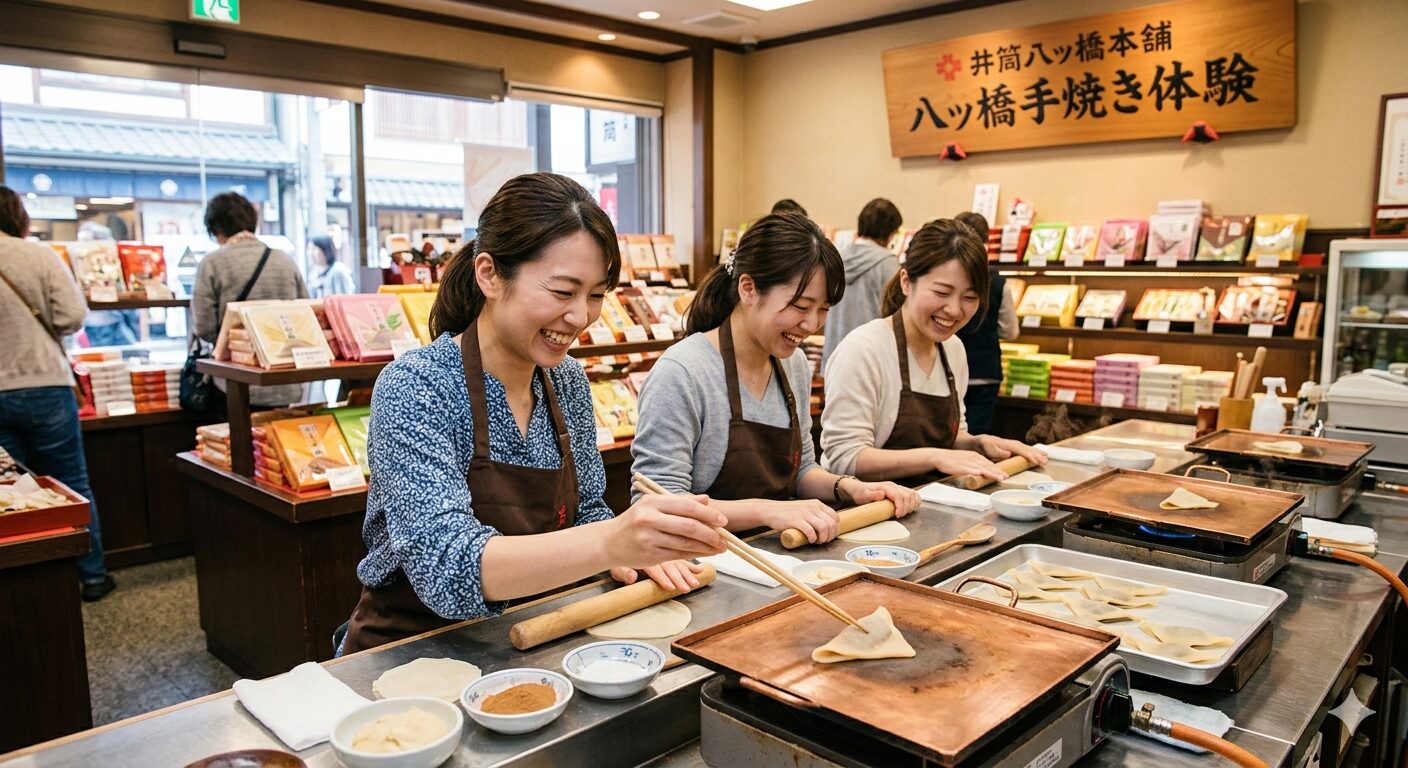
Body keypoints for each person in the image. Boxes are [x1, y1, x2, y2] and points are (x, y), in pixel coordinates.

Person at [340, 173, 726, 653]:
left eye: (597, 294)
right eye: (563, 292)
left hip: (531, 635)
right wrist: (610, 542)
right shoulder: (418, 386)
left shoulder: (566, 382)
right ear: (489, 275)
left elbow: (586, 510)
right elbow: (448, 566)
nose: (581, 316)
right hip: (410, 650)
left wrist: (628, 555)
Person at [631, 213, 918, 545]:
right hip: (700, 565)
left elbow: (802, 470)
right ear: (749, 288)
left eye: (823, 309)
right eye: (800, 306)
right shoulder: (683, 373)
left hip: (782, 554)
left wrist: (848, 486)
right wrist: (766, 511)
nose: (812, 324)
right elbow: (658, 506)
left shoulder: (792, 364)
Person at [821, 218, 1045, 486]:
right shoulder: (864, 350)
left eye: (969, 297)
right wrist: (933, 458)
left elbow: (950, 437)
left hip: (931, 508)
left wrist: (978, 443)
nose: (954, 309)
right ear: (906, 281)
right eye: (942, 292)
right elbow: (844, 458)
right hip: (869, 516)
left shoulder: (953, 350)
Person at [0, 187, 115, 601]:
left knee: (9, 490)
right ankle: (92, 576)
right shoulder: (39, 255)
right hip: (46, 383)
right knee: (71, 481)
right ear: (18, 216)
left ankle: (27, 584)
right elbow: (71, 317)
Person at [192, 192, 308, 408]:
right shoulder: (284, 260)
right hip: (285, 379)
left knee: (240, 440)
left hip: (235, 382)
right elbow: (307, 316)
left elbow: (203, 326)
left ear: (216, 228)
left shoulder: (212, 263)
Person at [954, 211, 1018, 435]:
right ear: (987, 240)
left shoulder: (949, 275)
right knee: (978, 436)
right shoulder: (998, 281)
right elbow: (1010, 331)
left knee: (951, 434)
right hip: (985, 370)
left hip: (948, 372)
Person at [821, 198, 903, 368]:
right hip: (869, 359)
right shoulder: (887, 263)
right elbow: (897, 315)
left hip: (834, 356)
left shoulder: (837, 257)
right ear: (889, 233)